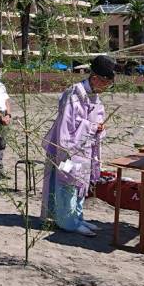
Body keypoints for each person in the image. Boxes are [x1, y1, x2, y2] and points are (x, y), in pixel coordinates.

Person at [40, 55, 114, 236]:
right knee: (67, 182)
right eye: (105, 83)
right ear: (95, 78)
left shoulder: (95, 96)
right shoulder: (74, 93)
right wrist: (90, 129)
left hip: (85, 148)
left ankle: (77, 217)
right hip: (67, 149)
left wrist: (99, 128)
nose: (105, 88)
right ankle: (68, 222)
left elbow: (96, 119)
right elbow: (66, 125)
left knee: (81, 183)